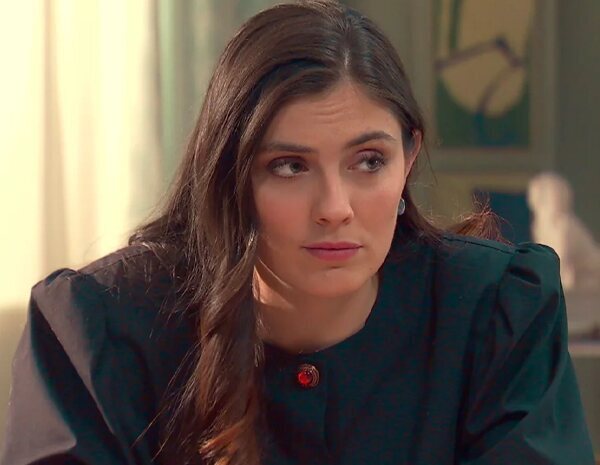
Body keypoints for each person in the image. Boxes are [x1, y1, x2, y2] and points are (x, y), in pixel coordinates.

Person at [1, 1, 595, 464]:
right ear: (230, 175)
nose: (335, 208)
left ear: (409, 158)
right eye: (289, 166)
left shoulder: (498, 312)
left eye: (369, 161)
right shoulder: (97, 335)